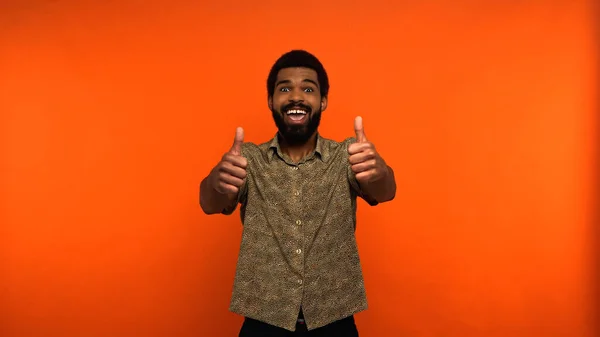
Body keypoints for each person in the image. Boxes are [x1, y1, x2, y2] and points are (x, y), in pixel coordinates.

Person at [199, 50, 396, 336]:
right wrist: (216, 182)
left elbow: (386, 191)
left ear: (322, 101)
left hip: (334, 321)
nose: (296, 96)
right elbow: (209, 203)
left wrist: (380, 172)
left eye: (308, 88)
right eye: (284, 89)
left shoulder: (345, 157)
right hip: (264, 322)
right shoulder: (250, 160)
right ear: (271, 101)